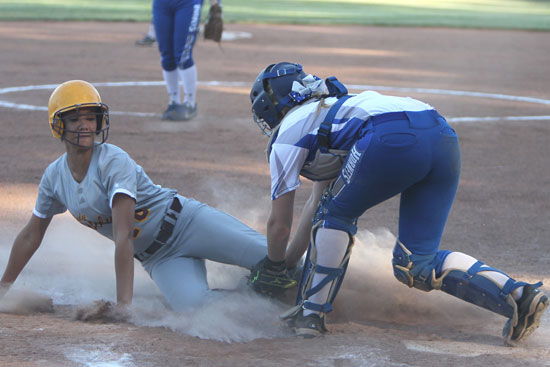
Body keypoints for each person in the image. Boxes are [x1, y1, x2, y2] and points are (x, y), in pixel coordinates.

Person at [247, 62, 549, 344]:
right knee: (415, 264)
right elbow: (315, 203)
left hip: (389, 136)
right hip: (441, 135)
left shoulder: (288, 134)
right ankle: (519, 295)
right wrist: (288, 264)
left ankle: (309, 314)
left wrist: (274, 266)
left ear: (272, 108)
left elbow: (280, 225)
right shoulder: (331, 112)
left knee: (335, 215)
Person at [0, 80, 267, 314]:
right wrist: (4, 288)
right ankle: (257, 292)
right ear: (58, 126)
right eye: (74, 119)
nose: (85, 125)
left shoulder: (113, 161)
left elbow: (124, 235)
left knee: (274, 261)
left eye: (90, 118)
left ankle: (301, 294)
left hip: (188, 224)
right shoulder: (54, 177)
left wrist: (123, 306)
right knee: (196, 308)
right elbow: (31, 235)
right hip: (160, 259)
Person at [153, 0, 220, 121]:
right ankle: (174, 102)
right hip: (161, 4)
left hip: (187, 3)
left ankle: (190, 103)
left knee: (183, 55)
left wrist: (215, 3)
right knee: (167, 56)